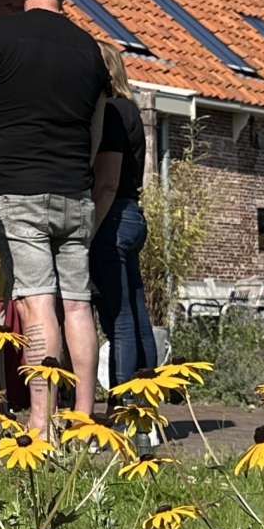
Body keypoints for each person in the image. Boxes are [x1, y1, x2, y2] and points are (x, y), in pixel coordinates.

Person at [0, 0, 109, 434]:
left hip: (19, 187)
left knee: (38, 301)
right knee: (78, 302)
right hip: (74, 190)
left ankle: (42, 420)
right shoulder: (90, 48)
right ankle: (84, 414)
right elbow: (97, 131)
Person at [88, 42, 160, 388]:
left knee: (118, 317)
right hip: (132, 213)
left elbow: (107, 180)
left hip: (111, 218)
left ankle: (124, 397)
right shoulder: (131, 108)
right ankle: (146, 392)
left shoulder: (113, 112)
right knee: (136, 310)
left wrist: (89, 231)